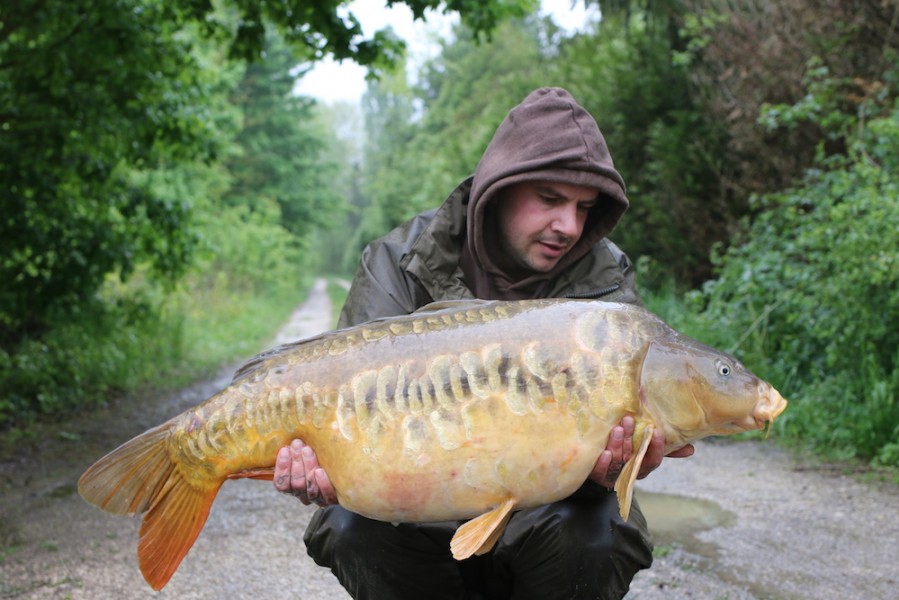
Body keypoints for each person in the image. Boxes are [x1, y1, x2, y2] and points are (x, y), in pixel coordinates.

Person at [273, 87, 694, 599]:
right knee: (348, 526)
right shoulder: (398, 260)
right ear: (499, 188)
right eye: (549, 199)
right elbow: (344, 404)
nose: (569, 226)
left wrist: (621, 465)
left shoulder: (602, 278)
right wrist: (319, 465)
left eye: (584, 208)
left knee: (602, 531)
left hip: (543, 513)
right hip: (415, 513)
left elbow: (621, 426)